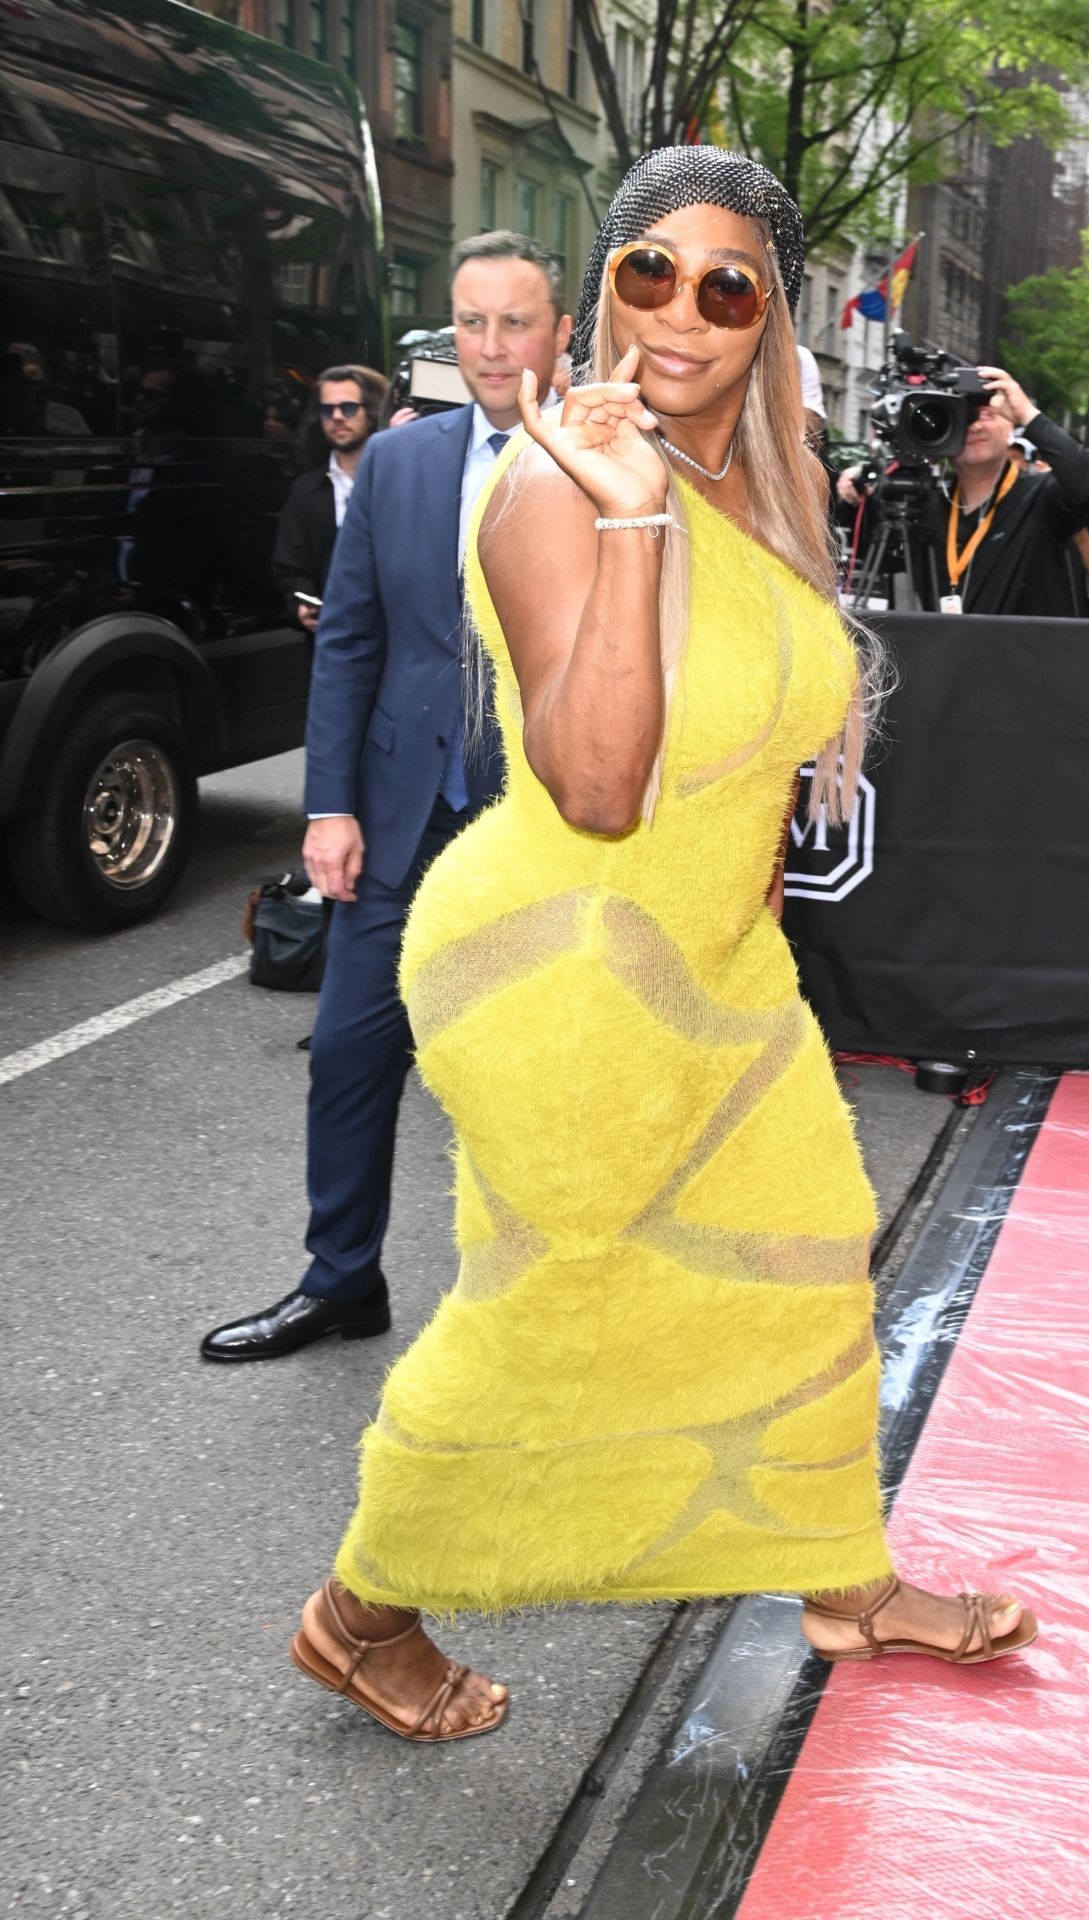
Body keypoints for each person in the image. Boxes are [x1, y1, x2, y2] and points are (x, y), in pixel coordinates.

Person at [282, 147, 1038, 1745]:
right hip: (565, 968)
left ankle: (842, 1572)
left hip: (715, 966)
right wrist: (626, 519)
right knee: (555, 1309)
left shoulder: (753, 489)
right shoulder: (562, 488)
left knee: (812, 1252)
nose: (682, 313)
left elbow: (752, 763)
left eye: (727, 286)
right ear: (605, 281)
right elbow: (601, 785)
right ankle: (362, 1610)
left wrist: (751, 921)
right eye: (650, 272)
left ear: (767, 322)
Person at [200, 232, 573, 1363]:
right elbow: (352, 641)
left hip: (539, 820)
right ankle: (340, 1280)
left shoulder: (606, 461)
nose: (494, 345)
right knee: (353, 1052)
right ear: (447, 335)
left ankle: (530, 1305)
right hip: (403, 814)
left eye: (516, 321)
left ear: (559, 332)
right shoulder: (402, 465)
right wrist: (328, 805)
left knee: (522, 1072)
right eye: (472, 322)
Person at [927, 370, 1089, 615]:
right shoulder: (927, 504)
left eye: (986, 414)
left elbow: (1087, 484)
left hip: (1021, 650)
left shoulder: (1041, 496)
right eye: (963, 418)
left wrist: (1027, 414)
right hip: (944, 649)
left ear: (1010, 426)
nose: (975, 426)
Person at [271, 364, 388, 637]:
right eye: (327, 410)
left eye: (348, 408)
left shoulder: (400, 480)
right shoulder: (306, 489)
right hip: (334, 637)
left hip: (397, 639)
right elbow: (289, 566)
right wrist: (301, 603)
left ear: (370, 414)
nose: (337, 417)